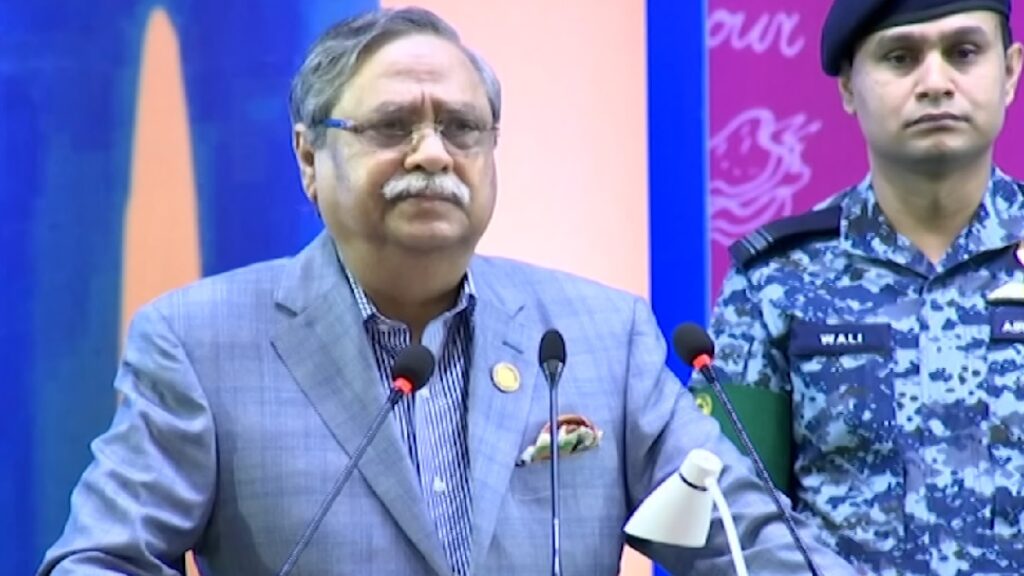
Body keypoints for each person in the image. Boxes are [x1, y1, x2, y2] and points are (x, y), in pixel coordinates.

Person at [38, 7, 857, 576]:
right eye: (392, 126)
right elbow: (100, 559)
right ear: (309, 159)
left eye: (462, 128)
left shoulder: (600, 336)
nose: (432, 153)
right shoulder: (200, 342)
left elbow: (749, 542)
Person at [703, 0, 1024, 574]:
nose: (935, 82)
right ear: (849, 87)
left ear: (1009, 71)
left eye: (963, 52)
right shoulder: (775, 281)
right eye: (900, 58)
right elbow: (728, 513)